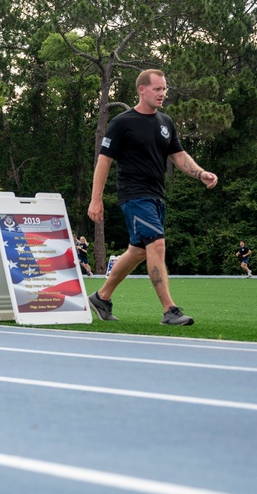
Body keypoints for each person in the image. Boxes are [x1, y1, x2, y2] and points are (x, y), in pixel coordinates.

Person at [87, 69, 218, 326]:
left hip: (157, 197)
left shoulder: (165, 123)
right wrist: (96, 199)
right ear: (142, 89)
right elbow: (103, 162)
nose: (162, 93)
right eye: (157, 89)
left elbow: (179, 156)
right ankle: (170, 310)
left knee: (137, 252)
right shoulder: (122, 123)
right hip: (134, 196)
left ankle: (101, 297)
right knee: (157, 245)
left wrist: (200, 173)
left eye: (164, 89)